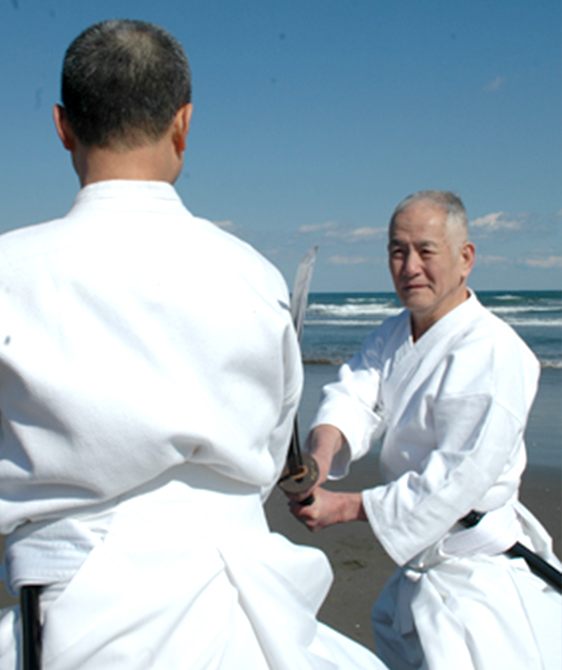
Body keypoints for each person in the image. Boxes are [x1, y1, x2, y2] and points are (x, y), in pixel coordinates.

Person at [0, 20, 388, 669]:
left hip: (68, 623)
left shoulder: (10, 271)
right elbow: (268, 451)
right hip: (243, 614)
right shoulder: (254, 277)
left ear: (63, 126)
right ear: (184, 124)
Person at [289, 191, 562, 670]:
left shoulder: (493, 350)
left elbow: (457, 478)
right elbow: (354, 394)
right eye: (398, 251)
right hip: (422, 561)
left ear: (465, 258)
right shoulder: (394, 333)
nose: (409, 266)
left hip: (476, 574)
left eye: (425, 250)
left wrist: (347, 507)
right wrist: (318, 460)